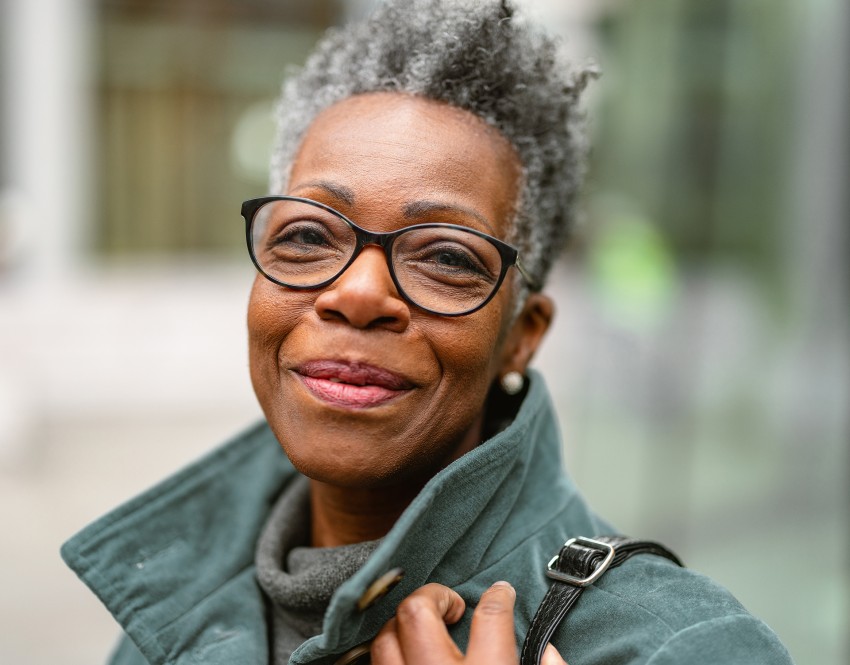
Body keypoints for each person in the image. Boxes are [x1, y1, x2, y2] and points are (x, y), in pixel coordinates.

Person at [62, 1, 794, 664]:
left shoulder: (684, 646)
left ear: (522, 333)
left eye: (447, 256)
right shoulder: (172, 608)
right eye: (309, 235)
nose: (356, 293)